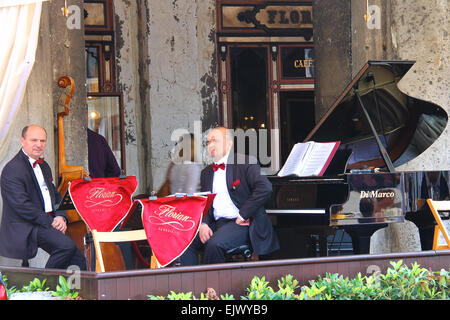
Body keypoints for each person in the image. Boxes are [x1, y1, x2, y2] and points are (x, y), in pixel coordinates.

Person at [180, 126, 279, 265]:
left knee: (214, 244)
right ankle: (190, 285)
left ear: (229, 144)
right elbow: (206, 203)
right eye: (208, 142)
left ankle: (213, 286)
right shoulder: (206, 173)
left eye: (215, 140)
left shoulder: (245, 162)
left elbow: (265, 188)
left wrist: (243, 214)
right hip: (217, 224)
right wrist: (204, 224)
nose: (211, 145)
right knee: (184, 242)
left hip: (243, 223)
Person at [0, 125, 86, 270]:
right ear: (22, 141)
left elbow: (55, 195)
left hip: (44, 222)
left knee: (77, 257)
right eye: (34, 140)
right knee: (66, 247)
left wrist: (60, 217)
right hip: (26, 225)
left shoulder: (44, 166)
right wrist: (51, 221)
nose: (39, 145)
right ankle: (43, 286)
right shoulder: (12, 170)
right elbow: (22, 206)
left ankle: (77, 290)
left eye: (42, 141)